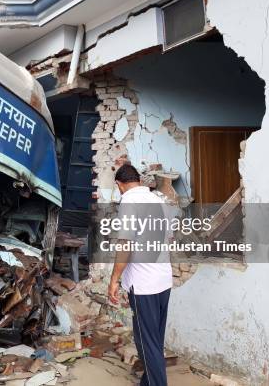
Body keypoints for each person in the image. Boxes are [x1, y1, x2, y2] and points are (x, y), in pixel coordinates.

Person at [108, 164, 173, 386]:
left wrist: (114, 280)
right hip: (164, 280)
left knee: (146, 342)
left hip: (144, 284)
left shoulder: (129, 201)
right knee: (155, 339)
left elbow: (125, 244)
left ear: (120, 184)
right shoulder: (158, 201)